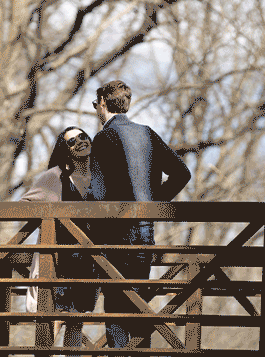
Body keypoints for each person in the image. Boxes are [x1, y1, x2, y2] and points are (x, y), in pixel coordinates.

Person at [89, 80, 191, 351]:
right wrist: (154, 203)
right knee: (138, 305)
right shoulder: (147, 133)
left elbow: (97, 196)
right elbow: (182, 173)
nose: (96, 109)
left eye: (95, 104)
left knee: (116, 306)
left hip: (115, 236)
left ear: (102, 103)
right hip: (145, 233)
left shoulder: (104, 138)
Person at [20, 126, 99, 350]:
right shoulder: (55, 176)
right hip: (61, 261)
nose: (80, 142)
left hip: (90, 261)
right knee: (55, 318)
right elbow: (23, 206)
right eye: (71, 141)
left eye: (82, 136)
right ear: (65, 149)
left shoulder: (99, 177)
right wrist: (49, 214)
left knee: (76, 320)